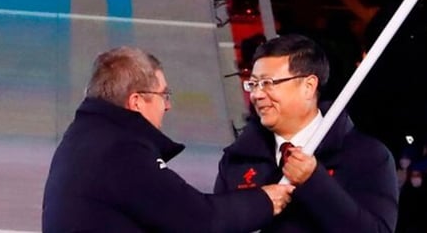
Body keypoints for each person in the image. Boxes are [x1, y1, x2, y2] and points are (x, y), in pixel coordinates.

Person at [42, 46, 293, 232]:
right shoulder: (121, 152)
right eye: (164, 95)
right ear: (137, 101)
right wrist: (265, 201)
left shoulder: (84, 140)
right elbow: (198, 218)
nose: (168, 106)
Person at [215, 34, 398, 231]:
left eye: (268, 83)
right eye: (253, 84)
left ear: (309, 86)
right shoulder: (238, 159)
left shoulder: (366, 155)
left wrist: (314, 180)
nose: (257, 94)